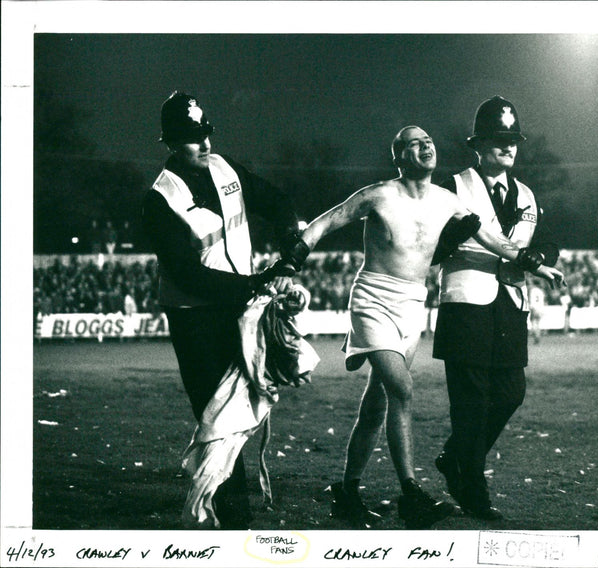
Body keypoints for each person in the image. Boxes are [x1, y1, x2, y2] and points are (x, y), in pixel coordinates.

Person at [278, 124, 561, 529]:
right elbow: (326, 222)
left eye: (428, 142)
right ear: (399, 156)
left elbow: (494, 239)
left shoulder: (447, 200)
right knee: (402, 389)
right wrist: (293, 260)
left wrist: (536, 264)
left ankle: (348, 490)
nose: (426, 147)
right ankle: (412, 494)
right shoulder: (378, 195)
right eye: (415, 144)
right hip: (373, 299)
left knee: (376, 404)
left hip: (412, 304)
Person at [140, 91, 300, 529]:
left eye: (207, 134)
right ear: (171, 142)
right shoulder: (159, 200)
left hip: (236, 306)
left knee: (241, 407)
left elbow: (278, 202)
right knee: (217, 415)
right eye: (193, 138)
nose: (206, 144)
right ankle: (235, 521)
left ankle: (230, 507)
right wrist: (255, 283)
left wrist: (290, 246)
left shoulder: (226, 168)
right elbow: (188, 276)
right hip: (194, 317)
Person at [431, 96, 564, 521]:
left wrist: (541, 257)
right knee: (470, 404)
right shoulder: (452, 187)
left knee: (511, 392)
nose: (508, 147)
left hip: (510, 305)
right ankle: (473, 489)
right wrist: (457, 238)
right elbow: (431, 249)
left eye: (513, 140)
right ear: (479, 144)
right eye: (498, 140)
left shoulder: (525, 192)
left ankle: (456, 458)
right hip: (466, 304)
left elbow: (547, 240)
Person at [526, 276, 546, 344]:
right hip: (541, 308)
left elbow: (532, 301)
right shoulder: (541, 291)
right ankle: (538, 336)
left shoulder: (533, 291)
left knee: (534, 323)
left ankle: (536, 337)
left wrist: (531, 308)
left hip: (535, 308)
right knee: (537, 323)